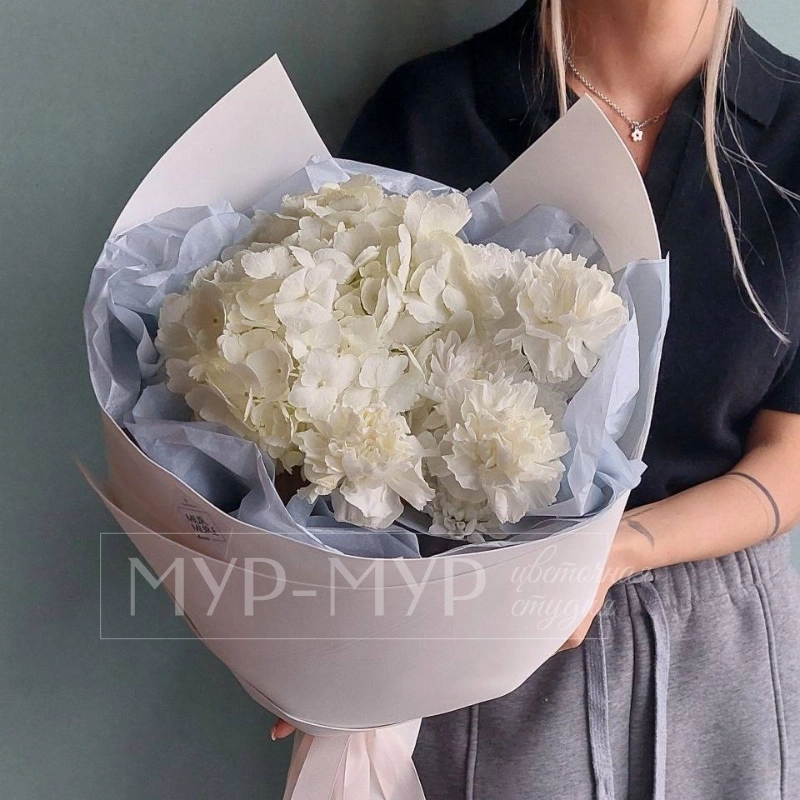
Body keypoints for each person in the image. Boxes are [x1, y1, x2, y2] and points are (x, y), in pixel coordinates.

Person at [273, 1, 800, 797]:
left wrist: (621, 550)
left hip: (726, 670)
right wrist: (323, 637)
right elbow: (324, 425)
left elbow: (790, 449)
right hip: (484, 650)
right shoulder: (432, 112)